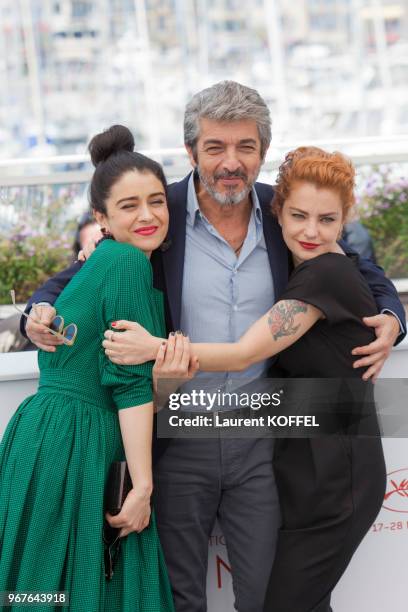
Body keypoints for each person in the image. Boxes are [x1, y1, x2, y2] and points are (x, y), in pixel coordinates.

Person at [21, 82, 406, 612]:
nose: (231, 162)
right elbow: (79, 276)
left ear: (262, 153)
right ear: (191, 152)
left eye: (245, 147)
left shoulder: (287, 212)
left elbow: (357, 268)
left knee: (270, 596)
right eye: (215, 147)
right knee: (181, 598)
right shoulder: (158, 211)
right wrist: (39, 312)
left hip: (262, 438)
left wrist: (390, 317)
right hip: (177, 433)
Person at [116, 147, 387, 612]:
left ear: (344, 221)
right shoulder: (315, 265)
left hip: (337, 475)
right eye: (299, 215)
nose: (311, 230)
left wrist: (153, 349)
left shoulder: (326, 274)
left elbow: (244, 353)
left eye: (327, 220)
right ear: (278, 211)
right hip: (299, 466)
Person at [0, 125, 177, 612]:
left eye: (157, 201)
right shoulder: (124, 263)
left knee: (37, 589)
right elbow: (129, 382)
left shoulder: (99, 260)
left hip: (44, 439)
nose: (147, 215)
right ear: (101, 217)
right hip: (81, 444)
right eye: (128, 206)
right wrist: (142, 485)